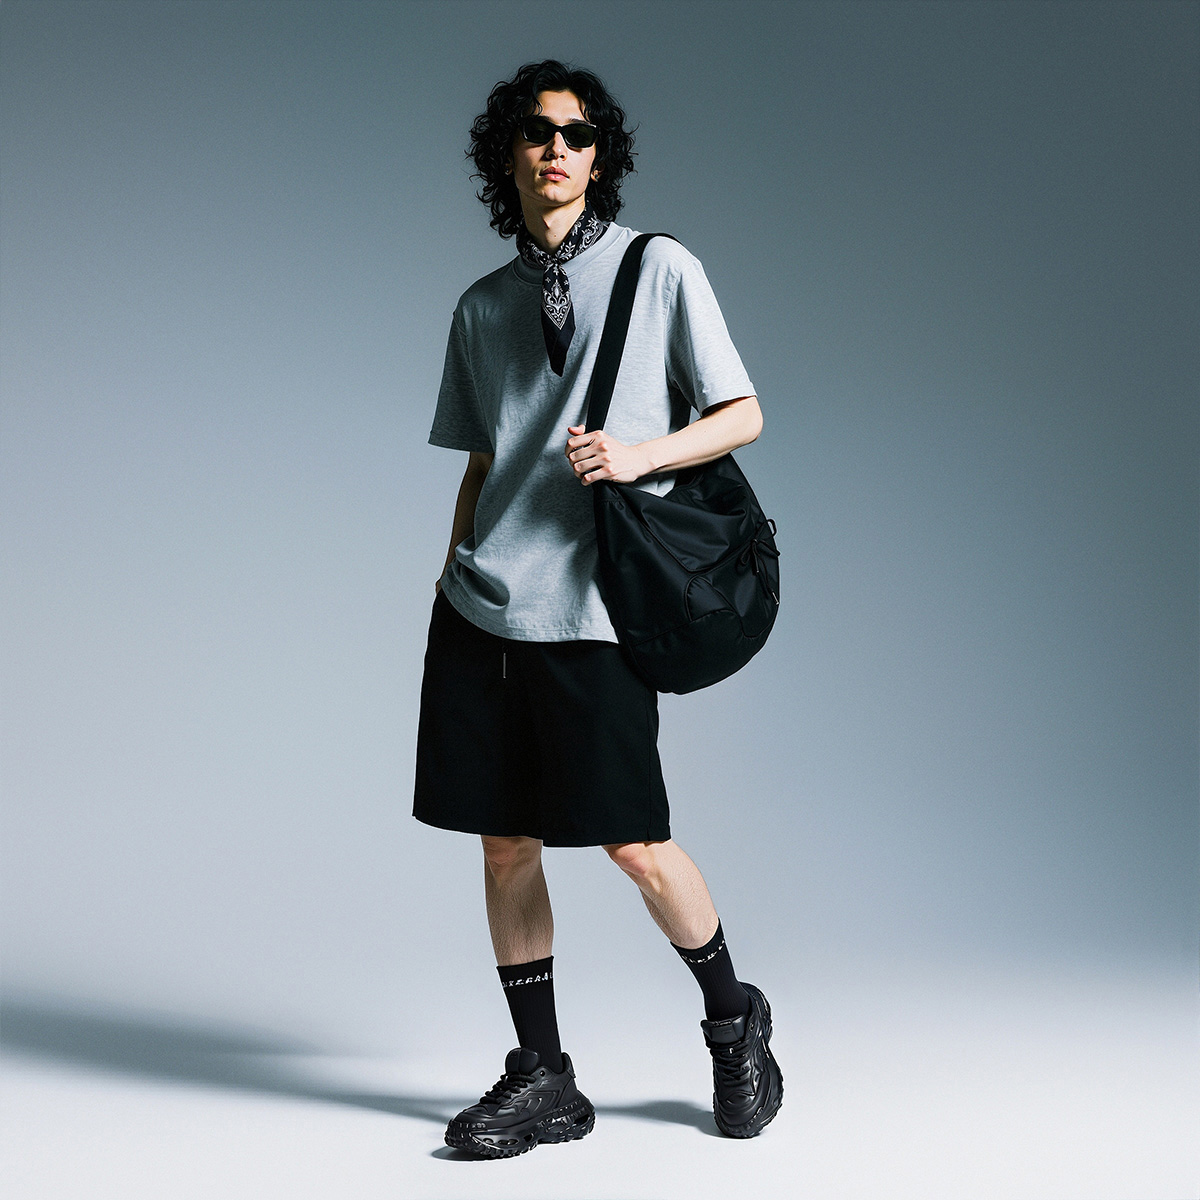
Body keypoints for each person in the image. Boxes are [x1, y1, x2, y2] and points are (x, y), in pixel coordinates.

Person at [413, 58, 783, 1158]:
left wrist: (638, 456)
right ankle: (544, 1077)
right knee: (503, 847)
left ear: (599, 156)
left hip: (593, 612)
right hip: (482, 611)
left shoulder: (659, 269)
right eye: (537, 132)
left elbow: (743, 413)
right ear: (509, 155)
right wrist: (453, 573)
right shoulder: (481, 308)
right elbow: (485, 461)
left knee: (635, 845)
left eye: (577, 134)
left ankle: (734, 1019)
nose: (557, 148)